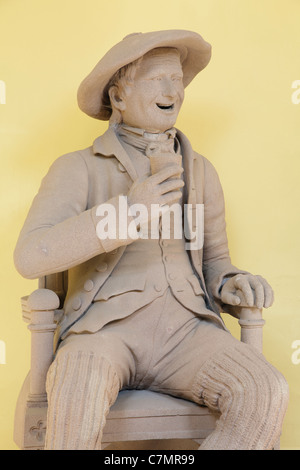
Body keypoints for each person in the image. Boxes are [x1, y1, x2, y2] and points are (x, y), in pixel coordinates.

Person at [14, 30, 289, 450]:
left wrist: (231, 282)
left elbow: (216, 261)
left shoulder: (200, 171)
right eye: (156, 79)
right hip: (102, 332)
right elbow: (31, 256)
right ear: (118, 97)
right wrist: (127, 211)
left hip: (187, 332)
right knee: (78, 386)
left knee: (266, 389)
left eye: (177, 79)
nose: (172, 90)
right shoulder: (78, 168)